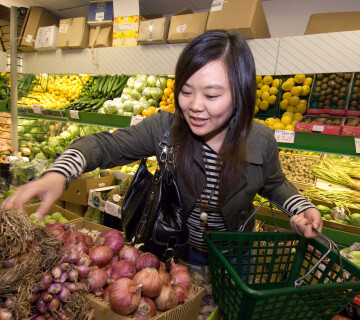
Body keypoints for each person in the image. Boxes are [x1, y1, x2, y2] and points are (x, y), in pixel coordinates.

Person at [1, 30, 322, 266]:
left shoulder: (261, 139)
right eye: (185, 91)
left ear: (241, 94)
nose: (194, 106)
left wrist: (299, 208)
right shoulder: (165, 128)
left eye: (211, 96)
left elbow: (275, 183)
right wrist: (59, 173)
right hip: (175, 252)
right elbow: (102, 145)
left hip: (234, 258)